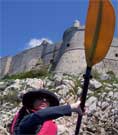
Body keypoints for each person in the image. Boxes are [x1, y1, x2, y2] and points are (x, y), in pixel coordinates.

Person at [10, 89, 83, 135]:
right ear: (32, 103)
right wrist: (72, 107)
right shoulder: (26, 120)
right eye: (40, 98)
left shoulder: (49, 122)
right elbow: (38, 116)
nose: (44, 100)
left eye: (47, 100)